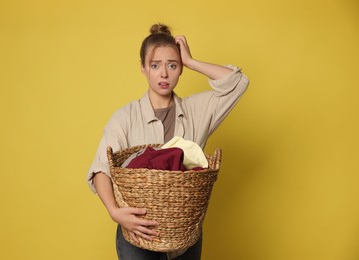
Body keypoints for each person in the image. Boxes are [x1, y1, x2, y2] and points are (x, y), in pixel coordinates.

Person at [87, 23, 249, 260]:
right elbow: (102, 168)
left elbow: (238, 83)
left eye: (172, 65)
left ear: (180, 68)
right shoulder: (125, 117)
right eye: (155, 65)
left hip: (184, 235)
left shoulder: (197, 110)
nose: (164, 74)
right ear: (143, 68)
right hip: (137, 233)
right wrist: (114, 212)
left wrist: (191, 61)